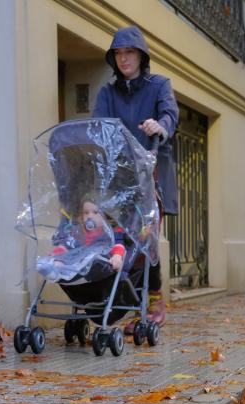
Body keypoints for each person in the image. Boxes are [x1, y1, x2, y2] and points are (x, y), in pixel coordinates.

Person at [93, 25, 178, 329]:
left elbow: (170, 114)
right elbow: (99, 126)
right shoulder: (107, 92)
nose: (124, 58)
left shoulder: (159, 85)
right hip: (118, 180)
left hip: (151, 177)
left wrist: (160, 126)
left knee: (145, 238)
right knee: (111, 238)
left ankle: (154, 300)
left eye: (129, 52)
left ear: (142, 55)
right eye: (118, 53)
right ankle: (117, 299)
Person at [36, 199, 125, 282]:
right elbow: (68, 245)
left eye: (95, 212)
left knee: (89, 257)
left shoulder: (112, 232)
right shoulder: (79, 232)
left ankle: (61, 270)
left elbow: (118, 244)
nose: (90, 216)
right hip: (77, 259)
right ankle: (52, 267)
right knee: (65, 256)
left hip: (97, 263)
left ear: (106, 215)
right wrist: (56, 254)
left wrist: (117, 256)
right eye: (86, 213)